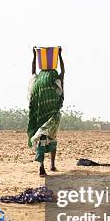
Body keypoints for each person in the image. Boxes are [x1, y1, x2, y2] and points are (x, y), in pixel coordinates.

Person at [27, 46, 64, 176]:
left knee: (41, 139)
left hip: (40, 116)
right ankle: (49, 165)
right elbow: (63, 71)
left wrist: (35, 56)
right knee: (52, 138)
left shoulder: (37, 80)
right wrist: (59, 55)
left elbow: (32, 70)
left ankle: (44, 165)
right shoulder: (56, 80)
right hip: (53, 117)